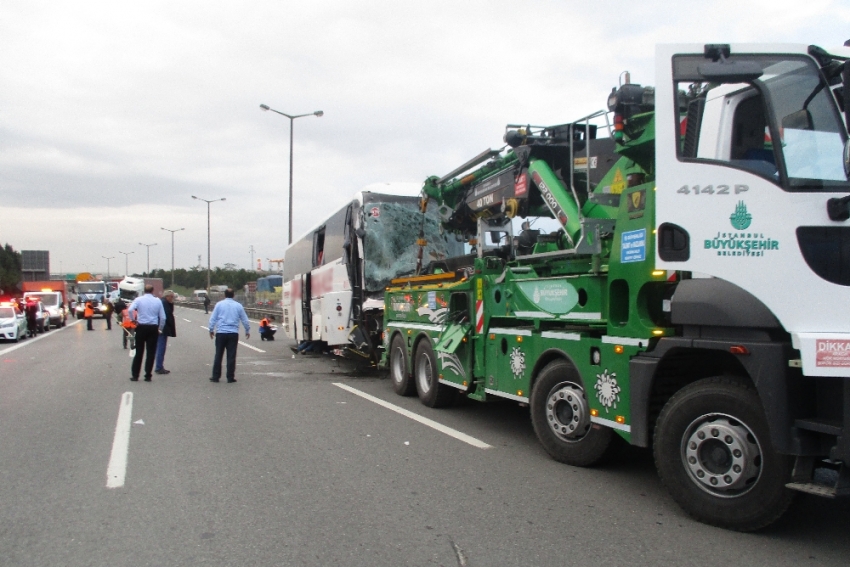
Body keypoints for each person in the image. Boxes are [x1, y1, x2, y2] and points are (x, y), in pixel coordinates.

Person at [208, 288, 250, 383]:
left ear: (224, 295)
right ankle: (230, 377)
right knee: (231, 355)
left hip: (221, 333)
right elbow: (245, 320)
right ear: (233, 295)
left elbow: (213, 318)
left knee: (218, 354)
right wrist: (247, 330)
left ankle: (216, 376)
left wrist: (211, 329)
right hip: (233, 333)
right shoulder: (238, 306)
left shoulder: (219, 305)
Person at [127, 284, 165, 381]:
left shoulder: (138, 300)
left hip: (141, 326)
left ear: (144, 291)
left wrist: (133, 320)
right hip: (153, 327)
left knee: (139, 351)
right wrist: (160, 328)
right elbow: (163, 317)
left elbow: (130, 310)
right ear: (153, 291)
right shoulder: (157, 301)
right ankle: (148, 375)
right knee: (151, 352)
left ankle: (135, 375)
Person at [154, 290, 177, 375]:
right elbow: (166, 316)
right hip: (162, 328)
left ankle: (159, 366)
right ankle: (159, 367)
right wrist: (161, 328)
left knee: (159, 347)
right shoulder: (164, 304)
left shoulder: (162, 302)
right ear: (167, 296)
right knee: (161, 347)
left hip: (160, 327)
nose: (172, 299)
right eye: (171, 297)